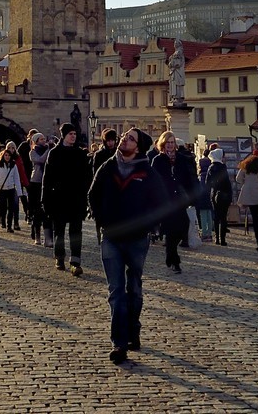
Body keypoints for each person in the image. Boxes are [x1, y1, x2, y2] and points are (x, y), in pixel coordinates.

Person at [87, 126, 169, 364]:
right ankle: (118, 343)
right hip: (111, 236)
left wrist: (149, 224)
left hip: (136, 239)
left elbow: (161, 201)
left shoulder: (147, 171)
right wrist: (102, 220)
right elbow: (93, 194)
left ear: (138, 146)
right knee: (116, 292)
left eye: (130, 139)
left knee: (134, 289)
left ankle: (133, 329)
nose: (124, 140)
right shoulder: (108, 167)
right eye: (124, 137)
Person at [41, 122, 93, 276]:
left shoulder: (80, 153)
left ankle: (75, 262)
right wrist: (45, 199)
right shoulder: (54, 153)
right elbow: (47, 178)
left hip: (76, 198)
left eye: (75, 134)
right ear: (64, 135)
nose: (73, 136)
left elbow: (87, 178)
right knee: (59, 231)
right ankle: (59, 257)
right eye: (71, 134)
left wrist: (87, 198)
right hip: (59, 198)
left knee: (76, 231)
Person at [150, 132, 192, 272]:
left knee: (183, 227)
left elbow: (188, 178)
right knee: (170, 230)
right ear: (163, 144)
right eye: (167, 142)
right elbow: (153, 181)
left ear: (175, 144)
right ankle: (175, 261)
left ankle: (170, 255)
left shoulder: (181, 158)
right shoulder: (158, 160)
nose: (170, 145)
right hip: (165, 200)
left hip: (180, 199)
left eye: (172, 142)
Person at [28, 133, 52, 246]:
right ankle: (37, 236)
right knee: (37, 210)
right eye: (41, 139)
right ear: (36, 141)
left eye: (44, 138)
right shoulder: (32, 152)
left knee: (47, 211)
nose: (44, 140)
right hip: (36, 182)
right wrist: (49, 150)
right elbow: (41, 160)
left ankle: (48, 238)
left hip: (47, 181)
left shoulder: (49, 150)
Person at [206, 151, 233, 246]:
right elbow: (226, 182)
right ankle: (223, 239)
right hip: (224, 194)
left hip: (214, 194)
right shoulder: (222, 167)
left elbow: (207, 183)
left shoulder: (211, 167)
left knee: (216, 217)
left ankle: (217, 238)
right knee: (223, 217)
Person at [0, 147, 22, 232]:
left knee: (11, 209)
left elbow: (17, 178)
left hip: (11, 189)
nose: (7, 157)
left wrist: (19, 192)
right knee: (2, 207)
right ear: (3, 156)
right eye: (6, 155)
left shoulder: (13, 165)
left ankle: (9, 226)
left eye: (9, 155)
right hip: (2, 189)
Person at [196, 147, 216, 242]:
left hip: (202, 197)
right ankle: (210, 234)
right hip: (210, 195)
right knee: (209, 214)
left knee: (203, 215)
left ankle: (204, 233)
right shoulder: (210, 173)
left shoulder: (200, 177)